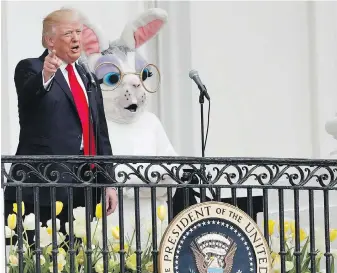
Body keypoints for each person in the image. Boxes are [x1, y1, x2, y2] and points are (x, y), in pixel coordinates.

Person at [4, 8, 117, 243]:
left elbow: (100, 132)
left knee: (79, 260)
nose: (76, 38)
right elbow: (30, 96)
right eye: (68, 33)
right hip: (42, 187)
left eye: (78, 32)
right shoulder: (30, 68)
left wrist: (108, 182)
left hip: (84, 187)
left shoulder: (87, 76)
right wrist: (46, 75)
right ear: (50, 40)